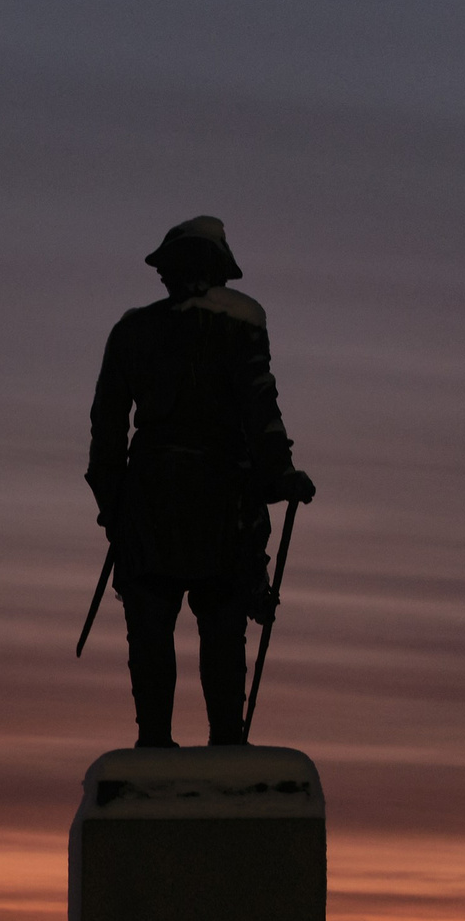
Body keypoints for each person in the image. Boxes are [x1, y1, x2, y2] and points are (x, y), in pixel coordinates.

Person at [86, 216, 315, 748]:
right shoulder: (238, 321)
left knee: (157, 622)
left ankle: (161, 741)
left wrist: (114, 503)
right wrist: (279, 473)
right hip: (216, 494)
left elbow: (106, 432)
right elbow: (261, 407)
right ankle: (220, 741)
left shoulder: (132, 331)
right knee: (216, 620)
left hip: (153, 496)